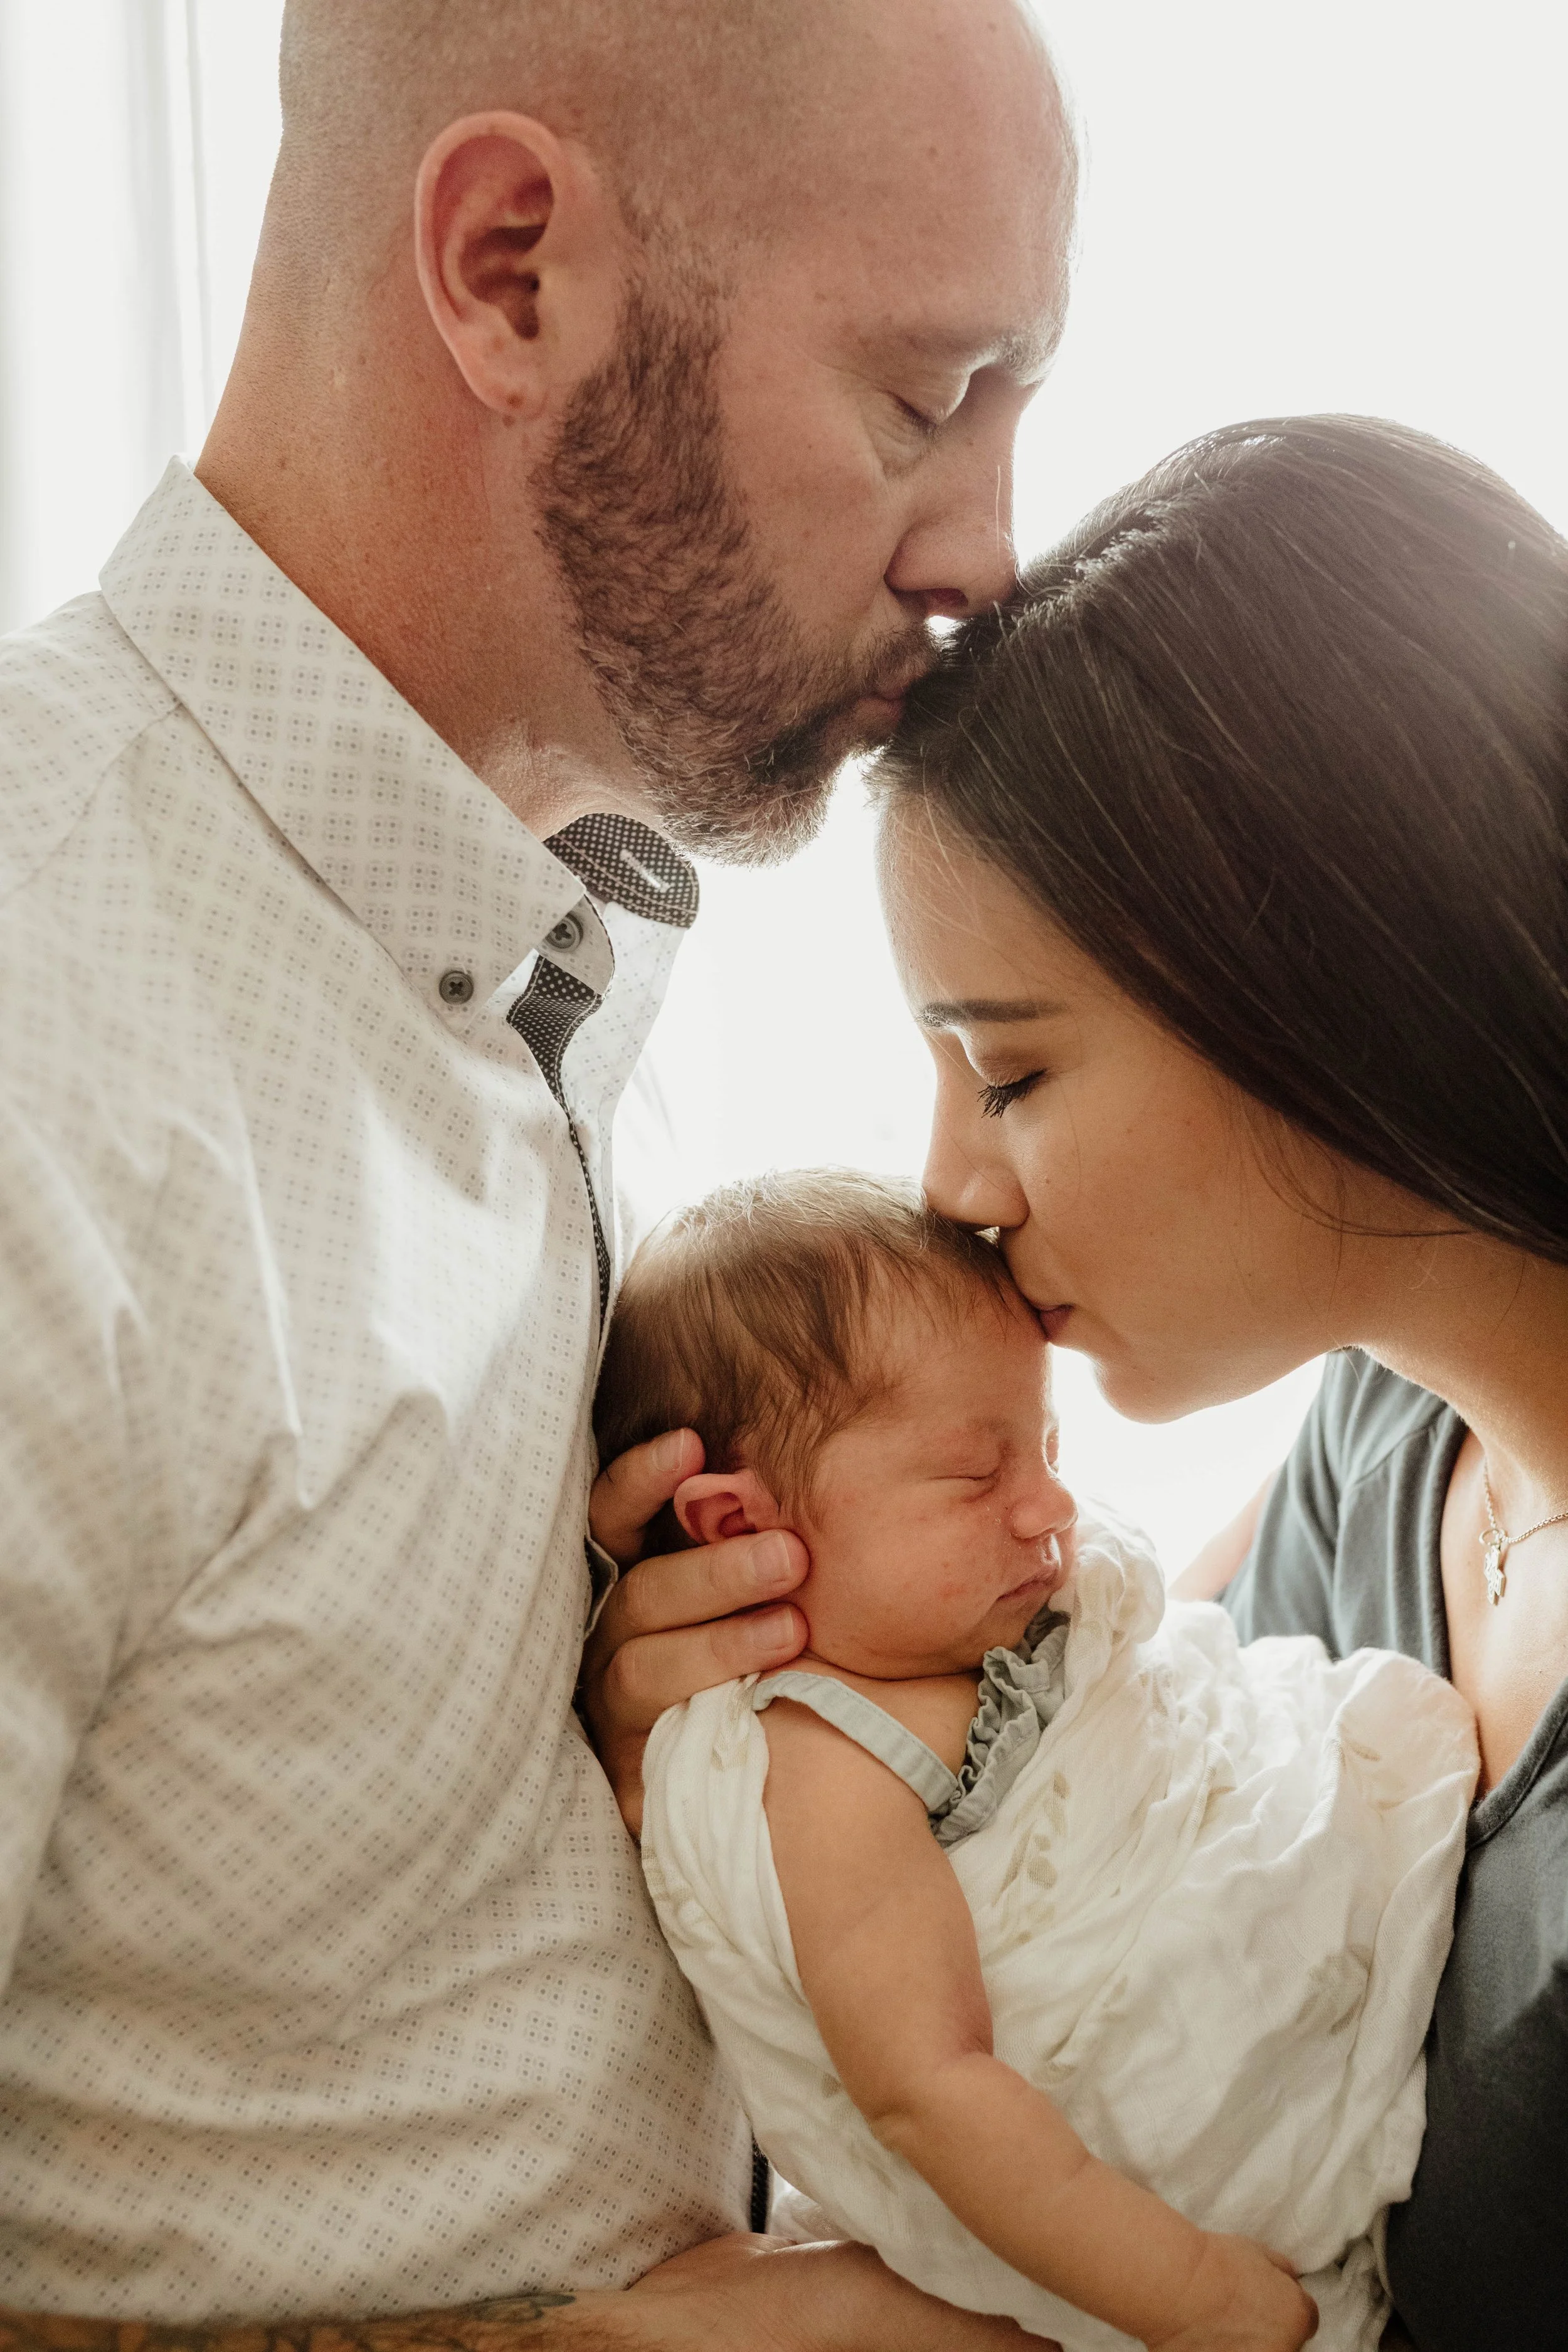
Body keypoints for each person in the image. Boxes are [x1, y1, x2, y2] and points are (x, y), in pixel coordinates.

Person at [0, 3, 1077, 2348]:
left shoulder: (546, 939)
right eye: (926, 396)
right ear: (508, 271)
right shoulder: (38, 1046)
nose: (995, 548)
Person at [590, 415, 1568, 2349]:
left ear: (1330, 981)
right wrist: (704, 1743)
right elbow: (1048, 1818)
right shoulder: (1388, 1441)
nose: (948, 1182)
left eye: (1010, 1071)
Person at [595, 1168, 1475, 2352]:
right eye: (976, 1473)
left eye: (1048, 1443)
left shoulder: (989, 1612)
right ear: (739, 1527)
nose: (1050, 1501)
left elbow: (1171, 1691)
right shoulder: (822, 1764)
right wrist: (1191, 2293)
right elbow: (931, 2090)